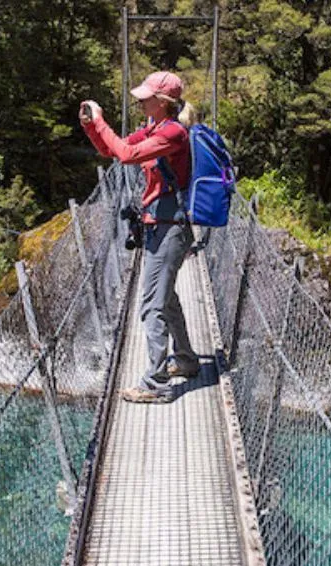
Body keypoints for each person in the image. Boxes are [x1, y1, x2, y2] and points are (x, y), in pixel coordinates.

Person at [80, 71, 200, 402]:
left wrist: (102, 120)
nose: (140, 100)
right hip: (159, 224)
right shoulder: (155, 128)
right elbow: (113, 150)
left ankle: (156, 385)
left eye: (146, 96)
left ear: (163, 102)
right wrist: (93, 126)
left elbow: (128, 156)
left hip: (170, 226)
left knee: (151, 305)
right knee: (165, 297)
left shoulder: (173, 133)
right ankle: (187, 360)